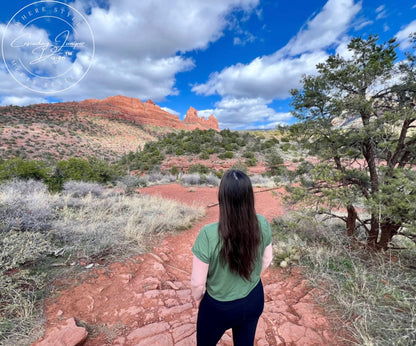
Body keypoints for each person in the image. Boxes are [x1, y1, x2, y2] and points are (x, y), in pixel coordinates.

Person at [191, 169, 273, 345]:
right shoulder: (262, 223)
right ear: (249, 196)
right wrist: (250, 275)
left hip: (219, 307)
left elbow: (198, 283)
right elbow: (266, 260)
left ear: (222, 198)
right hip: (254, 298)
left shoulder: (208, 234)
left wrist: (199, 299)